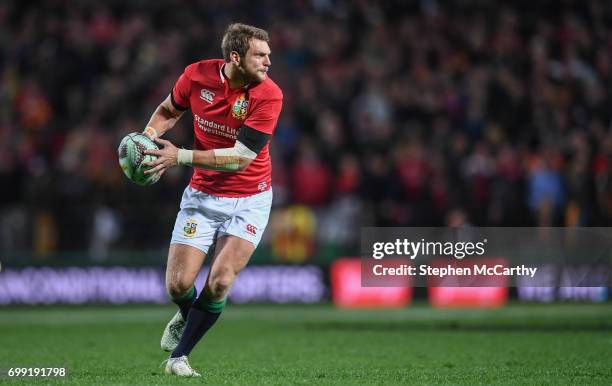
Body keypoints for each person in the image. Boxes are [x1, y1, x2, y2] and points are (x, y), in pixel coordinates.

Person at [139, 23, 282, 377]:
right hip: (203, 195)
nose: (268, 62)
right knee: (178, 285)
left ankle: (179, 357)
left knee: (219, 281)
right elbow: (169, 110)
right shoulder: (196, 76)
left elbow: (240, 157)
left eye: (268, 55)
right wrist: (147, 137)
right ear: (235, 57)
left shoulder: (269, 94)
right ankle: (190, 315)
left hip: (250, 198)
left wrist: (180, 157)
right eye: (260, 55)